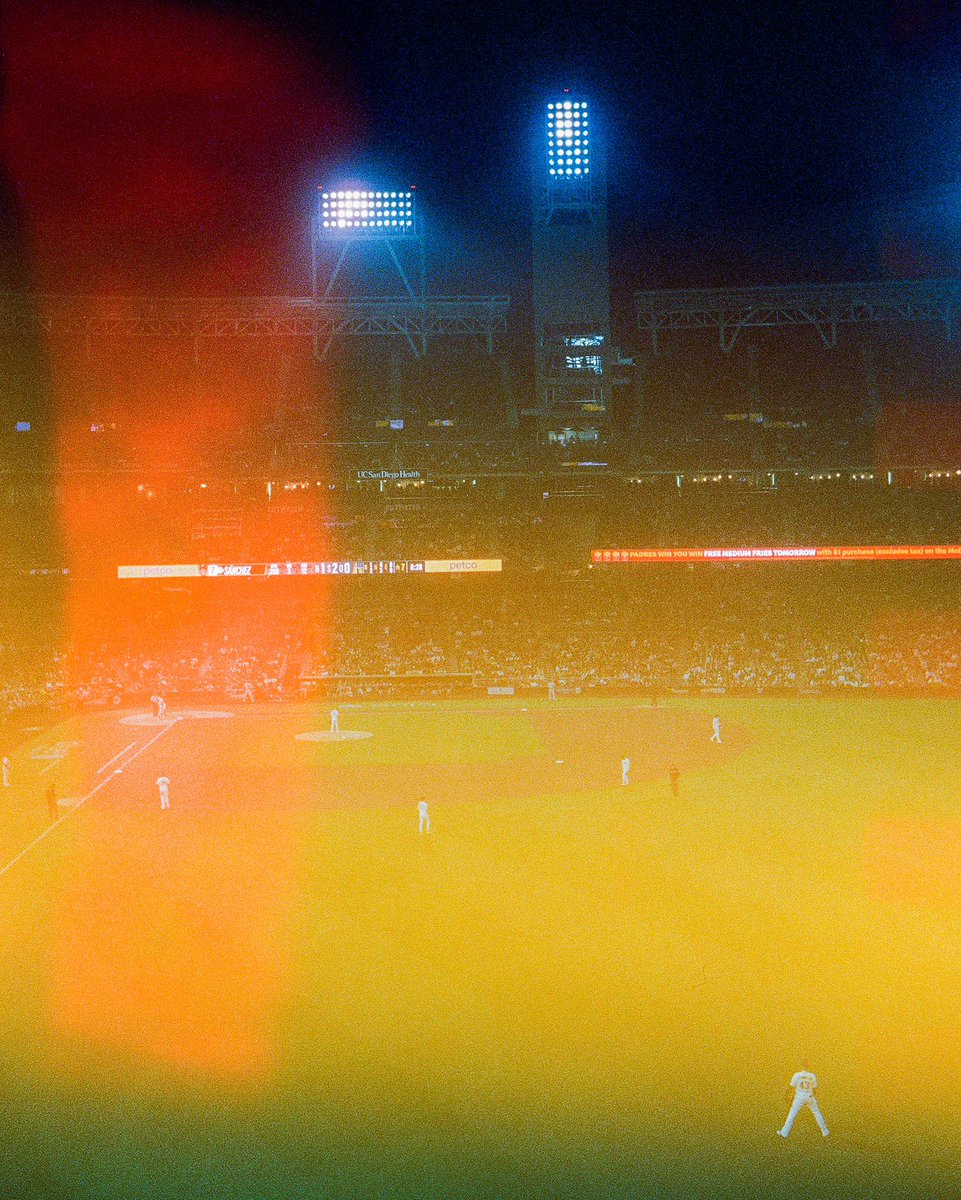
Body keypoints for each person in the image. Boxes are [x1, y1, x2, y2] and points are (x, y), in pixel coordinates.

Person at [778, 1065, 830, 1138]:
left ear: (802, 1066)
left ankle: (784, 1133)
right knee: (817, 1113)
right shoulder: (812, 1076)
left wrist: (786, 1095)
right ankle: (825, 1132)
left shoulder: (797, 1075)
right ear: (809, 1066)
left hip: (799, 1096)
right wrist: (810, 1097)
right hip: (809, 1096)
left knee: (792, 1115)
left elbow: (791, 1086)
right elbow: (815, 1089)